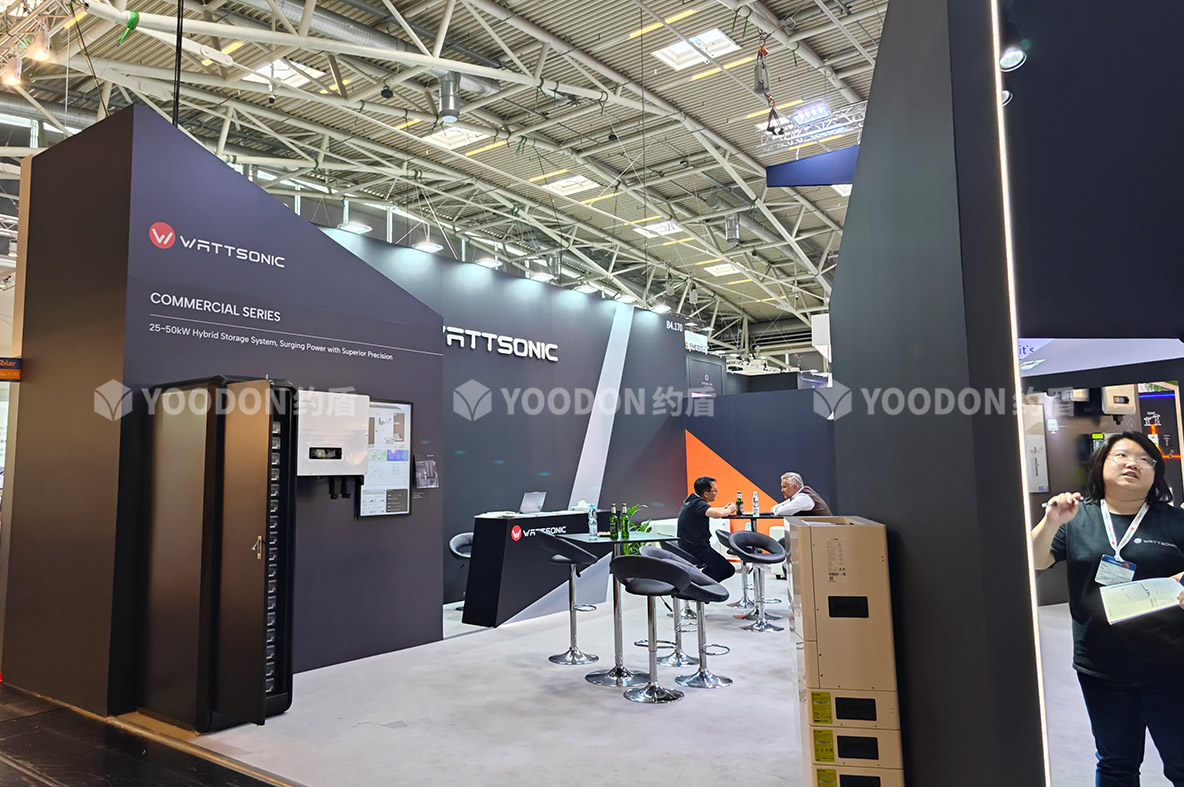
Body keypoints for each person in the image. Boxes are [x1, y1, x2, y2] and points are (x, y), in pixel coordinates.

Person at [1031, 431, 1184, 787]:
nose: (1133, 464)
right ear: (1101, 465)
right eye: (1122, 456)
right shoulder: (1076, 517)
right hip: (1101, 666)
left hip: (1170, 665)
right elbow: (1037, 560)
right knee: (1116, 763)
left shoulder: (1175, 521)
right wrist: (1051, 520)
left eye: (1145, 459)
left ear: (1156, 473)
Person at [677, 476, 737, 582]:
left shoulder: (690, 500)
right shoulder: (698, 504)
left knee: (716, 566)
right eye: (715, 490)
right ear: (705, 494)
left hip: (688, 545)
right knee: (727, 569)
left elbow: (713, 510)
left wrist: (725, 509)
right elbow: (718, 514)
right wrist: (730, 509)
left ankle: (696, 583)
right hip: (696, 548)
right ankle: (698, 586)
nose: (716, 493)